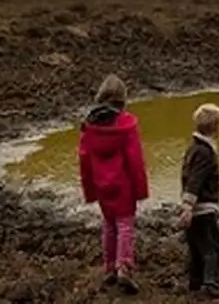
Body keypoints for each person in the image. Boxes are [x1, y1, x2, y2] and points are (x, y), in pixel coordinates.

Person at [77, 74, 150, 295]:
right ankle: (124, 267)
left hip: (101, 186)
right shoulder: (127, 125)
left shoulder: (90, 127)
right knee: (126, 225)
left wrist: (90, 191)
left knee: (109, 225)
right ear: (123, 99)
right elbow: (135, 160)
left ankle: (109, 266)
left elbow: (84, 160)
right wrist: (140, 189)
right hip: (123, 186)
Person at [179, 103, 219, 302]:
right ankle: (211, 288)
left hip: (196, 209)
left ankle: (196, 285)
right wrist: (188, 206)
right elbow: (195, 180)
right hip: (203, 209)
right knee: (215, 248)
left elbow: (187, 178)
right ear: (217, 127)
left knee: (197, 248)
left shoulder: (193, 149)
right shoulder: (205, 153)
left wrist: (186, 205)